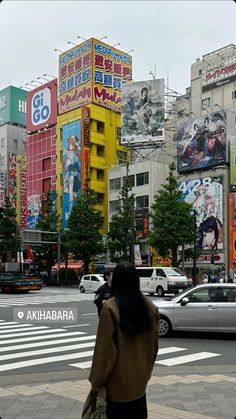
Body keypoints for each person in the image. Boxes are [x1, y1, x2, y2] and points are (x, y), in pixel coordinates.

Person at [89, 261, 159, 419]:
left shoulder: (110, 308)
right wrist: (146, 373)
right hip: (140, 386)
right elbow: (154, 348)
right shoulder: (150, 308)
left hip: (116, 390)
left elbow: (105, 353)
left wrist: (96, 382)